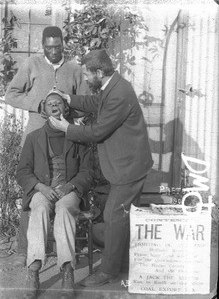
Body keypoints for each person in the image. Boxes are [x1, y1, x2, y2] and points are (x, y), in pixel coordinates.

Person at [50, 49, 154, 287]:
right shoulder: (113, 86)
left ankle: (108, 271)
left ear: (99, 72)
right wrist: (69, 99)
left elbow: (97, 132)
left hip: (128, 167)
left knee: (113, 216)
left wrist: (66, 128)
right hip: (128, 163)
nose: (85, 79)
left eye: (87, 75)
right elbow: (96, 102)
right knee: (122, 217)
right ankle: (124, 264)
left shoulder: (119, 93)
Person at [5, 26, 88, 266]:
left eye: (58, 47)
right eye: (49, 47)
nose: (53, 51)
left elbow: (84, 103)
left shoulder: (74, 69)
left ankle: (72, 246)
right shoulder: (31, 64)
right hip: (36, 137)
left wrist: (68, 109)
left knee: (69, 188)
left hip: (65, 137)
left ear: (64, 45)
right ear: (42, 46)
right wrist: (38, 104)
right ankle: (25, 250)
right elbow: (11, 94)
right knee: (32, 189)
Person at [16, 89, 93, 296]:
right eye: (49, 103)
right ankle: (33, 270)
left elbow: (88, 171)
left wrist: (71, 186)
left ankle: (67, 271)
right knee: (39, 208)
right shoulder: (33, 138)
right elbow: (22, 172)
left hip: (70, 189)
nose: (54, 106)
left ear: (66, 108)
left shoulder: (78, 137)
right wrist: (40, 187)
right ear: (44, 109)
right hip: (43, 189)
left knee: (64, 210)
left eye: (58, 103)